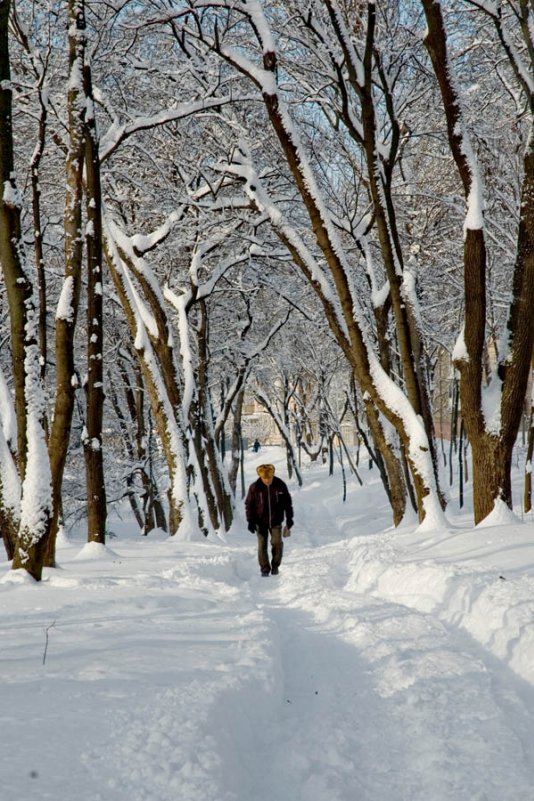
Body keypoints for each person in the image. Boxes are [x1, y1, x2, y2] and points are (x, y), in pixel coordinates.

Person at [245, 463, 293, 576]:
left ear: (272, 476)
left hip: (276, 520)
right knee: (262, 545)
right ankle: (265, 568)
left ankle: (275, 565)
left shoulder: (280, 485)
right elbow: (249, 505)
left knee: (277, 543)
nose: (267, 481)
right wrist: (250, 521)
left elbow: (287, 503)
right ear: (261, 477)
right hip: (260, 521)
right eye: (264, 478)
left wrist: (289, 518)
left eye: (269, 478)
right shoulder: (254, 487)